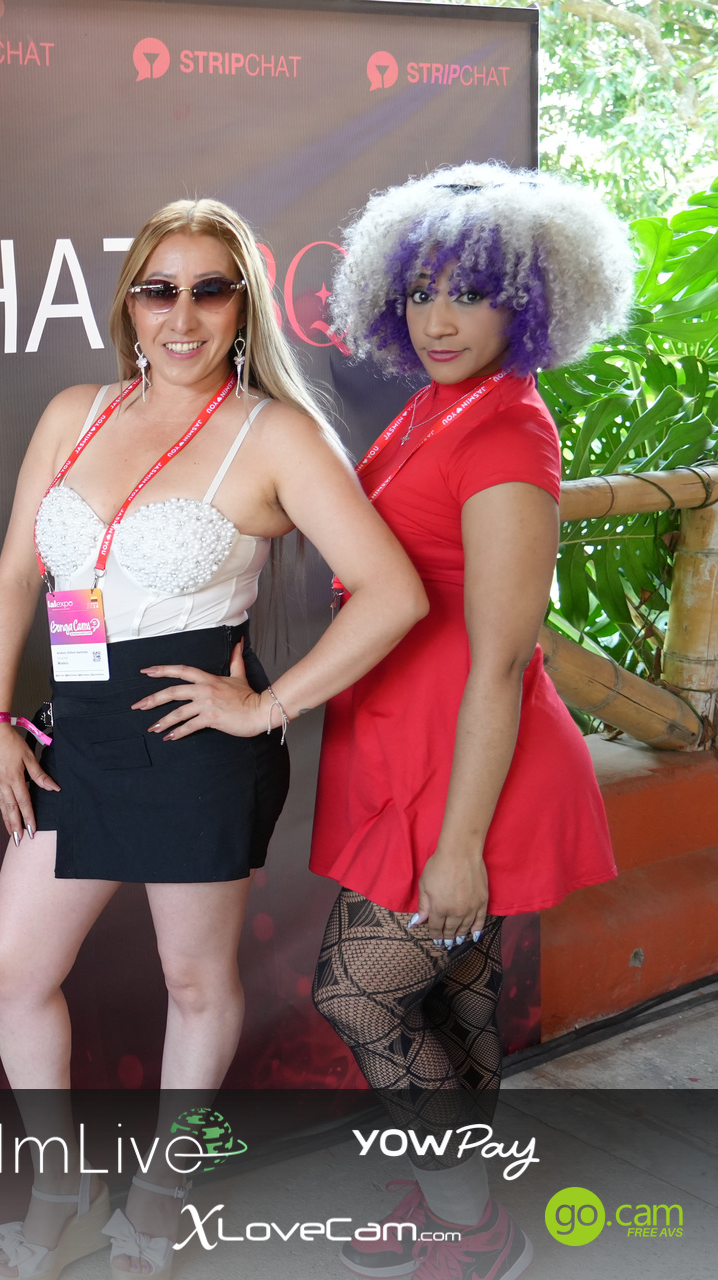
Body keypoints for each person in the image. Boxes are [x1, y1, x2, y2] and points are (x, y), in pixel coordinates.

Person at [0, 198, 428, 1277]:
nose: (182, 316)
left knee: (194, 980)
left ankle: (159, 1195)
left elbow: (395, 592)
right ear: (130, 303)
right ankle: (63, 1189)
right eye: (160, 289)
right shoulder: (75, 412)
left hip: (195, 744)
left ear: (243, 306)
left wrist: (266, 707)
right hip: (79, 731)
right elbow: (15, 578)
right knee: (11, 966)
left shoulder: (275, 435)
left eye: (210, 290)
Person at [315, 162, 629, 1280]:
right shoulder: (444, 402)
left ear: (530, 303)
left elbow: (501, 659)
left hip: (469, 761)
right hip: (411, 733)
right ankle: (456, 1188)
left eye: (473, 293)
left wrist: (459, 843)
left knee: (358, 991)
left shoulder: (506, 437)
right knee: (455, 989)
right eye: (421, 291)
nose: (438, 319)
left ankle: (471, 1223)